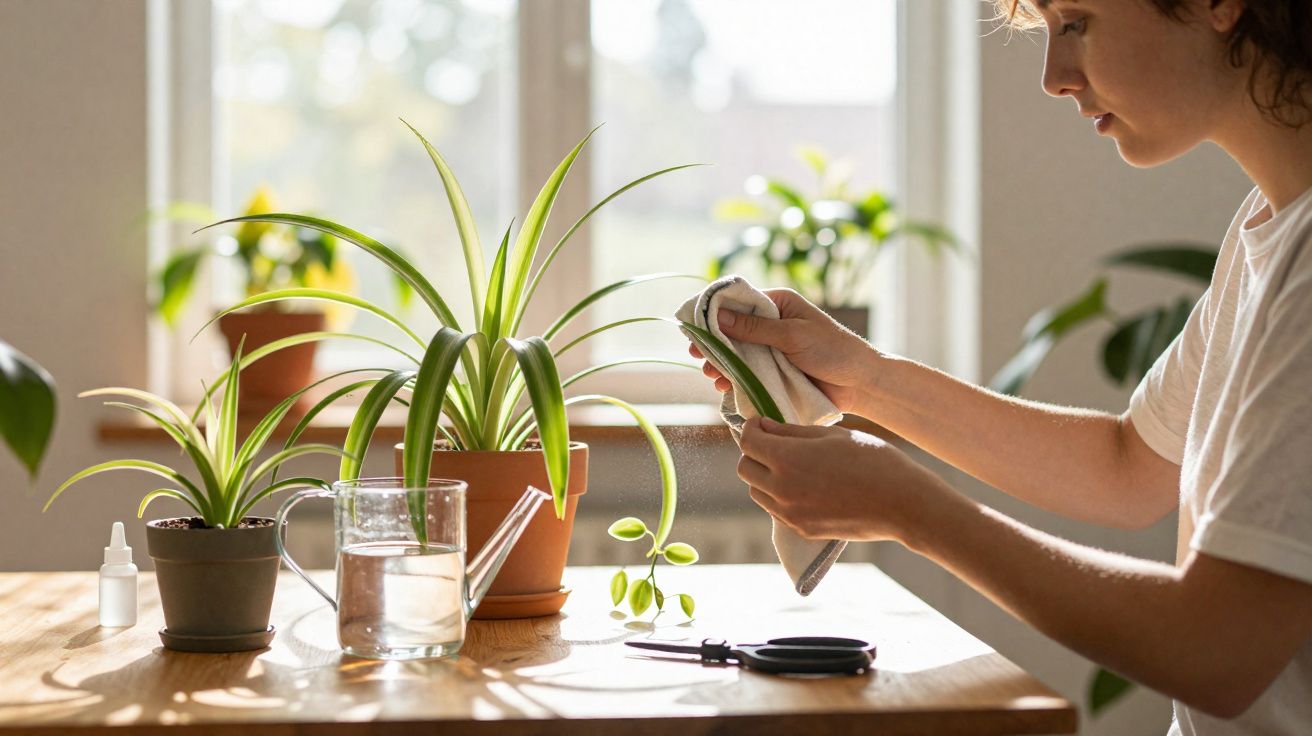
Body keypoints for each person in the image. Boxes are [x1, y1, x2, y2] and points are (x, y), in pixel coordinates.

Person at [690, 1, 1312, 733]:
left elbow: (1217, 650)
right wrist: (865, 381)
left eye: (1076, 21)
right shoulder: (1268, 226)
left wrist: (911, 510)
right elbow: (1128, 464)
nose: (1052, 77)